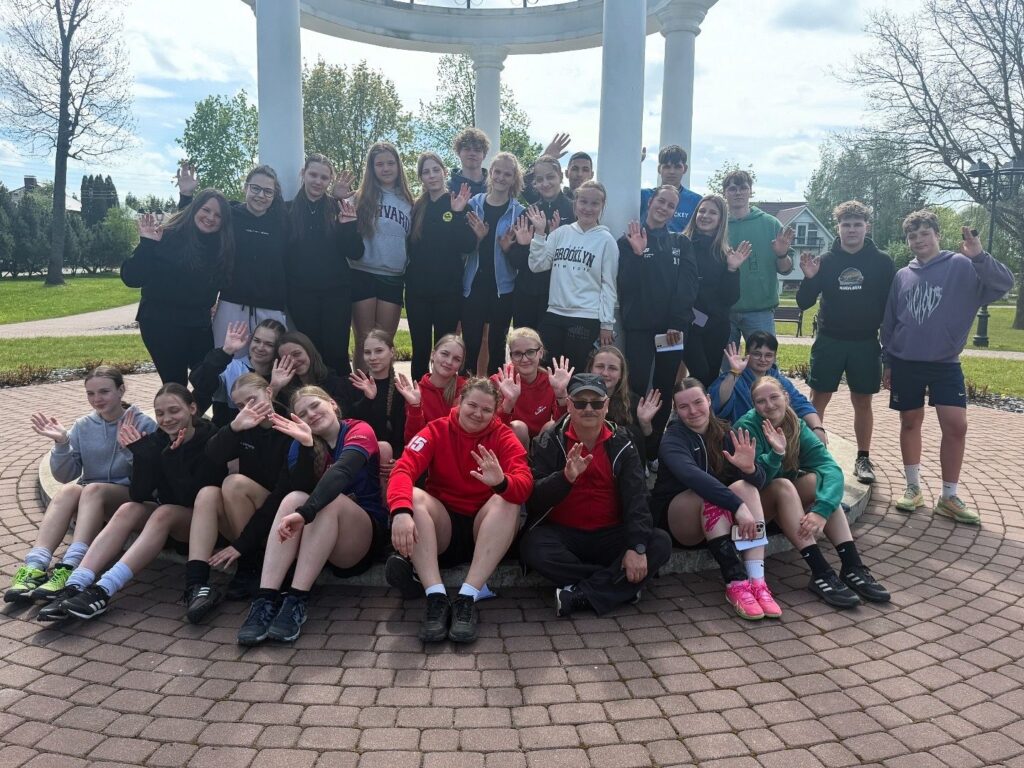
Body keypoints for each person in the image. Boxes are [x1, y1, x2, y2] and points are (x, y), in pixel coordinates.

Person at [44, 384, 226, 621]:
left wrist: (172, 457)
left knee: (164, 513)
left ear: (192, 408)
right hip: (170, 517)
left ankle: (103, 589)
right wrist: (140, 454)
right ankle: (76, 584)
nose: (167, 419)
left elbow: (190, 496)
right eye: (160, 413)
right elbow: (139, 494)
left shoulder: (211, 438)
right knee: (129, 508)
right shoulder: (158, 439)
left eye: (174, 411)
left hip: (205, 522)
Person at [881, 211, 1013, 524]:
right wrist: (888, 361)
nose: (919, 240)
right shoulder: (902, 275)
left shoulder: (961, 265)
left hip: (945, 363)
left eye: (925, 233)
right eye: (912, 236)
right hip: (906, 361)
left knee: (956, 426)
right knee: (910, 422)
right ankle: (913, 487)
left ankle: (949, 496)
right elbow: (891, 320)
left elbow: (1003, 284)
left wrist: (979, 255)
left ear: (937, 234)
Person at [386, 378, 533, 643]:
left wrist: (501, 482)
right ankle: (436, 597)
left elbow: (524, 484)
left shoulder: (503, 436)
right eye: (472, 405)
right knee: (413, 498)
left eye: (486, 410)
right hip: (444, 528)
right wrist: (400, 511)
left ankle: (467, 597)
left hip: (485, 530)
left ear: (495, 412)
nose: (478, 414)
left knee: (507, 498)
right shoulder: (436, 429)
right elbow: (403, 468)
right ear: (460, 401)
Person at [237, 387, 384, 645]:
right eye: (303, 413)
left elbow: (342, 472)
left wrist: (306, 513)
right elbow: (299, 489)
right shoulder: (300, 443)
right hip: (320, 540)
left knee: (331, 500)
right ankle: (265, 599)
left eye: (315, 406)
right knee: (292, 498)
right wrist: (306, 447)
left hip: (361, 540)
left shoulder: (359, 429)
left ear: (333, 404)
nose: (311, 415)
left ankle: (297, 599)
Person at [520, 373, 672, 616]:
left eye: (596, 402)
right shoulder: (549, 440)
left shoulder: (624, 441)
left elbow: (637, 498)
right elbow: (534, 498)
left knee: (659, 542)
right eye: (581, 403)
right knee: (533, 547)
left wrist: (636, 547)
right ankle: (620, 584)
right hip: (565, 534)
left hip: (611, 534)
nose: (589, 409)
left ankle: (580, 594)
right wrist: (564, 478)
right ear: (569, 405)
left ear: (606, 405)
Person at [735, 376, 890, 607]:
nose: (769, 405)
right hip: (755, 509)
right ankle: (820, 571)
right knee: (784, 485)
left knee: (820, 482)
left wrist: (821, 511)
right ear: (754, 405)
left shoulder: (796, 424)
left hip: (787, 504)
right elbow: (757, 480)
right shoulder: (747, 427)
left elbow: (830, 467)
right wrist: (776, 453)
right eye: (761, 401)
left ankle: (852, 566)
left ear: (786, 397)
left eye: (774, 397)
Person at [5, 368, 156, 604]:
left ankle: (71, 565)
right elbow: (66, 475)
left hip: (131, 496)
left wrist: (130, 449)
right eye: (90, 393)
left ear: (121, 390)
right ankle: (35, 566)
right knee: (69, 490)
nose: (97, 399)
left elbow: (151, 476)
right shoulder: (83, 425)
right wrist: (62, 443)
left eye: (104, 391)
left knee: (93, 489)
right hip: (91, 499)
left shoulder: (142, 423)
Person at [653, 379, 779, 619]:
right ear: (676, 410)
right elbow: (693, 477)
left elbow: (760, 482)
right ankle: (736, 581)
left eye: (698, 402)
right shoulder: (672, 438)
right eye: (684, 406)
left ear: (709, 400)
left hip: (719, 525)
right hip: (681, 524)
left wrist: (750, 469)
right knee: (707, 494)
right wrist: (737, 506)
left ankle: (757, 582)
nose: (693, 411)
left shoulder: (727, 432)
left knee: (746, 487)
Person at [797, 200, 896, 485]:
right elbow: (803, 302)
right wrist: (809, 278)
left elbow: (891, 307)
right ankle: (812, 454)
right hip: (830, 340)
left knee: (862, 401)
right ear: (838, 227)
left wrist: (889, 349)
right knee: (818, 399)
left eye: (857, 224)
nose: (852, 230)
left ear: (867, 227)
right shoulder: (825, 261)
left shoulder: (882, 262)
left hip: (865, 342)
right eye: (846, 224)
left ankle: (863, 457)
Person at [182, 373, 294, 622]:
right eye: (240, 405)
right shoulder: (242, 427)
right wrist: (233, 428)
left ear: (269, 392)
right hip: (246, 514)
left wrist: (241, 545)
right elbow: (212, 456)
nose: (247, 409)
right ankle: (196, 583)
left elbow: (282, 493)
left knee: (233, 483)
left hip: (280, 514)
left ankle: (250, 564)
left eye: (252, 400)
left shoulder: (289, 426)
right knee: (208, 494)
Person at [121, 188, 234, 385]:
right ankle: (177, 405)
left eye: (218, 215)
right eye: (206, 210)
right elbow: (132, 278)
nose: (211, 217)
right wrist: (147, 245)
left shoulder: (222, 246)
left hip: (198, 324)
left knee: (208, 380)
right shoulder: (167, 235)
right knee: (175, 383)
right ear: (195, 209)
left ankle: (197, 406)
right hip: (160, 322)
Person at [618, 184, 699, 444]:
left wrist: (677, 322)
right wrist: (638, 254)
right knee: (637, 384)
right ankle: (635, 444)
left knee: (664, 385)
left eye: (671, 205)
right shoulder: (627, 240)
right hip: (640, 327)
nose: (664, 208)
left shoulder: (680, 243)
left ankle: (654, 448)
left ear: (675, 211)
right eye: (661, 201)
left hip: (671, 330)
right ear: (650, 201)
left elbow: (688, 286)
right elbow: (625, 285)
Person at [175, 162, 290, 345]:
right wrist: (186, 196)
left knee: (269, 360)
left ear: (274, 195)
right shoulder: (229, 215)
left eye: (268, 191)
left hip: (271, 308)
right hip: (231, 304)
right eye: (255, 188)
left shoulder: (283, 221)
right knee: (224, 359)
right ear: (245, 187)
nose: (261, 195)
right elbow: (192, 226)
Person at [527, 180, 618, 372]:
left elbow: (609, 285)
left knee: (574, 373)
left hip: (585, 317)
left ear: (602, 206)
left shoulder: (606, 241)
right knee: (546, 370)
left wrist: (607, 324)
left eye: (595, 203)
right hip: (554, 313)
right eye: (583, 201)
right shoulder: (561, 233)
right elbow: (537, 265)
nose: (588, 208)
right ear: (575, 203)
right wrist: (540, 234)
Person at [286, 153, 364, 375]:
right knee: (309, 352)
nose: (317, 181)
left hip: (336, 294)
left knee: (336, 352)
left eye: (324, 177)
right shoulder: (286, 210)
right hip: (300, 294)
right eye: (313, 175)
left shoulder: (339, 207)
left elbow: (356, 253)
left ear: (329, 181)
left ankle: (340, 395)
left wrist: (347, 226)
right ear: (303, 174)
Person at [406, 152, 476, 380]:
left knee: (445, 351)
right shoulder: (417, 207)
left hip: (448, 292)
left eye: (436, 170)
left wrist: (457, 214)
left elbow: (467, 245)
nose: (432, 175)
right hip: (418, 292)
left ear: (445, 172)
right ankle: (418, 395)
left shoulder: (459, 203)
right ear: (421, 177)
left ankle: (443, 396)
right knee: (420, 349)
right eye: (426, 172)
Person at [346, 141, 414, 372]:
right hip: (362, 272)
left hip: (393, 276)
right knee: (364, 342)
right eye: (380, 164)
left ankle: (384, 390)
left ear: (398, 166)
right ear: (372, 168)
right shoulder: (359, 198)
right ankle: (360, 390)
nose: (386, 168)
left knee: (384, 343)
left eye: (390, 163)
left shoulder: (408, 201)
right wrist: (337, 196)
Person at [461, 152, 527, 375]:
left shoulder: (519, 213)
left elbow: (521, 261)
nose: (501, 177)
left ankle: (497, 392)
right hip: (473, 286)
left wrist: (508, 249)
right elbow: (462, 247)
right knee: (470, 343)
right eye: (497, 172)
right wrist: (478, 238)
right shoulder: (472, 205)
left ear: (514, 178)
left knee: (497, 345)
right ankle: (466, 390)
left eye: (507, 174)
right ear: (490, 173)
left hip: (503, 289)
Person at [722, 170, 795, 347]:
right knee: (723, 363)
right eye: (732, 189)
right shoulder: (718, 224)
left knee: (764, 361)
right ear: (724, 193)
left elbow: (785, 269)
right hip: (723, 310)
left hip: (760, 311)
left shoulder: (770, 224)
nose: (738, 192)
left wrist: (782, 254)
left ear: (751, 191)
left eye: (743, 188)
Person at [682, 195, 749, 387]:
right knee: (700, 374)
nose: (705, 216)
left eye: (712, 212)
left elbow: (730, 298)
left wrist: (732, 269)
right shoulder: (681, 245)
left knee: (711, 377)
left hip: (716, 327)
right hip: (688, 324)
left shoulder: (725, 253)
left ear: (721, 219)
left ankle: (708, 408)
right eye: (702, 211)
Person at [710, 331, 824, 438]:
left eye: (768, 355)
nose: (763, 359)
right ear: (747, 354)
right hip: (744, 438)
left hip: (777, 438)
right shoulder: (733, 378)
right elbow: (716, 402)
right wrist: (735, 372)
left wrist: (818, 428)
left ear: (774, 357)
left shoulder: (779, 380)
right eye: (757, 354)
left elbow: (801, 404)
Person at [511, 154, 575, 330]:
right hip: (527, 293)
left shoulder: (575, 210)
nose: (545, 183)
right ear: (535, 183)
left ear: (560, 176)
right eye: (540, 179)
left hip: (561, 297)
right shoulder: (528, 213)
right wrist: (523, 246)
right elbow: (515, 261)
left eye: (550, 177)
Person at [189, 318, 287, 426]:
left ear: (277, 348)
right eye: (256, 340)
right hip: (225, 432)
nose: (260, 347)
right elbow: (199, 381)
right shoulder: (230, 367)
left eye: (269, 344)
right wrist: (225, 351)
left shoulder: (282, 375)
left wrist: (275, 388)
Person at [491, 327, 573, 447]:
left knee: (550, 426)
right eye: (517, 354)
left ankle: (539, 458)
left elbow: (562, 425)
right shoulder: (499, 381)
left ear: (540, 353)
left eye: (530, 352)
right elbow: (491, 426)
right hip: (511, 441)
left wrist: (561, 394)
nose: (524, 359)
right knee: (519, 428)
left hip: (541, 443)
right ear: (511, 356)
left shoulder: (551, 381)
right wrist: (508, 404)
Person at [587, 346, 662, 464]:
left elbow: (652, 454)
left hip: (627, 468)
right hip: (589, 463)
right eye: (600, 366)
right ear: (591, 369)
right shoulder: (579, 399)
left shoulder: (635, 402)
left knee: (634, 432)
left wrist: (645, 424)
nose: (605, 373)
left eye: (612, 368)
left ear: (621, 374)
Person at [348, 329, 406, 480]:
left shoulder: (400, 390)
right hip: (359, 454)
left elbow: (401, 434)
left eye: (379, 351)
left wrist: (398, 460)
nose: (373, 357)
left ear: (392, 352)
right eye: (367, 352)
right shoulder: (354, 384)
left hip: (388, 460)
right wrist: (368, 399)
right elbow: (350, 424)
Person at [397, 334, 467, 444]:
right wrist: (415, 407)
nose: (449, 361)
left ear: (460, 365)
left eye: (456, 359)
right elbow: (412, 441)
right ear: (433, 355)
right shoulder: (417, 392)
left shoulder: (466, 389)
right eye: (444, 354)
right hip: (428, 450)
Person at [274, 331, 353, 414]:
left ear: (309, 351)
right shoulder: (284, 393)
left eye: (297, 354)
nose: (293, 361)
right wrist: (274, 387)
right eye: (286, 359)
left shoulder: (338, 384)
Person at [639, 145, 702, 233]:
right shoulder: (643, 195)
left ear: (685, 169)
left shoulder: (696, 201)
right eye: (667, 167)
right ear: (659, 169)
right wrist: (634, 163)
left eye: (677, 167)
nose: (672, 172)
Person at [450, 127, 490, 196]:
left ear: (484, 155)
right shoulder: (448, 187)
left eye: (477, 150)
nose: (472, 153)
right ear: (459, 153)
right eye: (467, 149)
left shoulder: (493, 186)